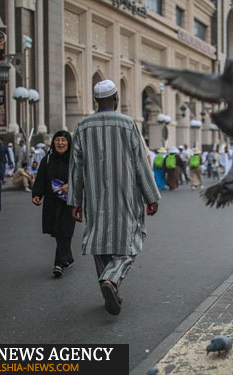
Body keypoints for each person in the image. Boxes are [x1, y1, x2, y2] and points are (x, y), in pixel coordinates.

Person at [68, 79, 160, 316]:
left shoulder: (83, 126)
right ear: (116, 98)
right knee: (132, 240)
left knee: (101, 241)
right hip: (125, 195)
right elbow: (141, 162)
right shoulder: (127, 124)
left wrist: (75, 201)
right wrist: (151, 196)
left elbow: (75, 167)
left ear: (96, 100)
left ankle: (109, 287)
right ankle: (112, 278)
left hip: (95, 198)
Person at [32, 130, 76, 278]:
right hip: (52, 202)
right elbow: (41, 178)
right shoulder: (48, 159)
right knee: (57, 231)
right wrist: (37, 194)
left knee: (66, 230)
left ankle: (59, 263)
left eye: (64, 140)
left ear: (69, 143)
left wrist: (70, 185)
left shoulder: (74, 161)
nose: (60, 143)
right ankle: (67, 256)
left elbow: (82, 178)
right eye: (57, 140)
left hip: (69, 202)